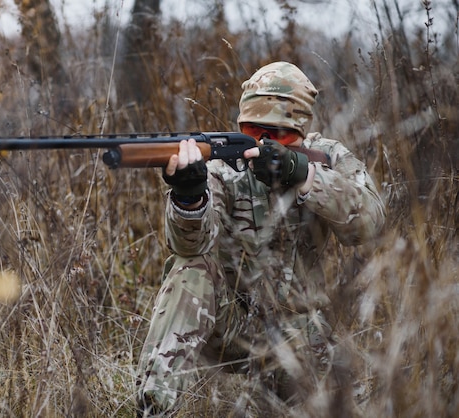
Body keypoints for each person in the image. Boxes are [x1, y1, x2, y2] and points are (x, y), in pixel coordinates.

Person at [135, 61, 386, 415]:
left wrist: (301, 175)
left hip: (302, 337)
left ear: (300, 132)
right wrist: (189, 196)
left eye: (277, 135)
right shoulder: (223, 169)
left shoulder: (327, 157)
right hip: (234, 328)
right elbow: (189, 247)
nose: (262, 143)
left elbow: (372, 222)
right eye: (253, 130)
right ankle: (154, 405)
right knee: (190, 268)